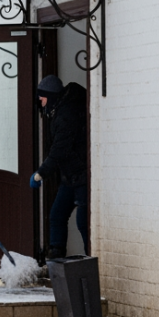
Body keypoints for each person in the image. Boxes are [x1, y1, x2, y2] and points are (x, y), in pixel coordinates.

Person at [30, 74, 90, 259]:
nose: (40, 102)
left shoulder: (66, 114)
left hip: (81, 176)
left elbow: (59, 150)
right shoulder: (58, 111)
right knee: (57, 215)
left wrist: (41, 173)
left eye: (42, 97)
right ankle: (57, 262)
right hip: (69, 177)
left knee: (83, 221)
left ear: (51, 95)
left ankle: (93, 260)